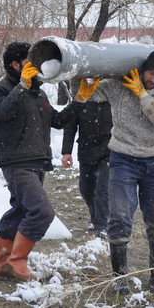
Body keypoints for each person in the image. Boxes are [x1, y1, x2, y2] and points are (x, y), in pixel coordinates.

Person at [87, 51, 154, 297]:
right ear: (143, 68)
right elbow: (87, 94)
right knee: (119, 220)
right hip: (123, 159)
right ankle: (120, 280)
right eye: (151, 73)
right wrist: (86, 75)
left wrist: (141, 93)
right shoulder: (119, 84)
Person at [0, 42, 66, 281]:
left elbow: (58, 121)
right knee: (41, 212)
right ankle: (16, 263)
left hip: (37, 160)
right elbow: (0, 113)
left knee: (20, 211)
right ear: (14, 64)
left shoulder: (37, 92)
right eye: (29, 63)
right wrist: (21, 86)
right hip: (16, 161)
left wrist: (82, 101)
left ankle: (0, 266)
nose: (36, 67)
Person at [60, 79, 113, 237]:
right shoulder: (82, 99)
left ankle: (102, 226)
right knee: (86, 189)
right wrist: (66, 152)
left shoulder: (113, 101)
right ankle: (95, 216)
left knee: (102, 189)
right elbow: (70, 127)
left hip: (109, 151)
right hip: (86, 151)